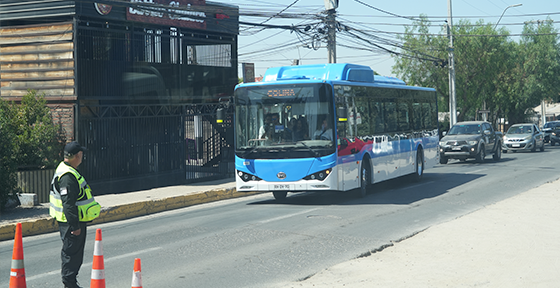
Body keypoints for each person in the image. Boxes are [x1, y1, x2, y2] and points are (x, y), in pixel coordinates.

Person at [50, 141, 100, 288]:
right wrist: (74, 225)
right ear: (78, 155)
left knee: (74, 255)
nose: (82, 156)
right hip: (71, 224)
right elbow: (68, 204)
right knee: (71, 255)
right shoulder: (68, 176)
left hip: (72, 222)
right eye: (81, 154)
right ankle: (69, 285)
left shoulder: (66, 169)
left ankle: (71, 283)